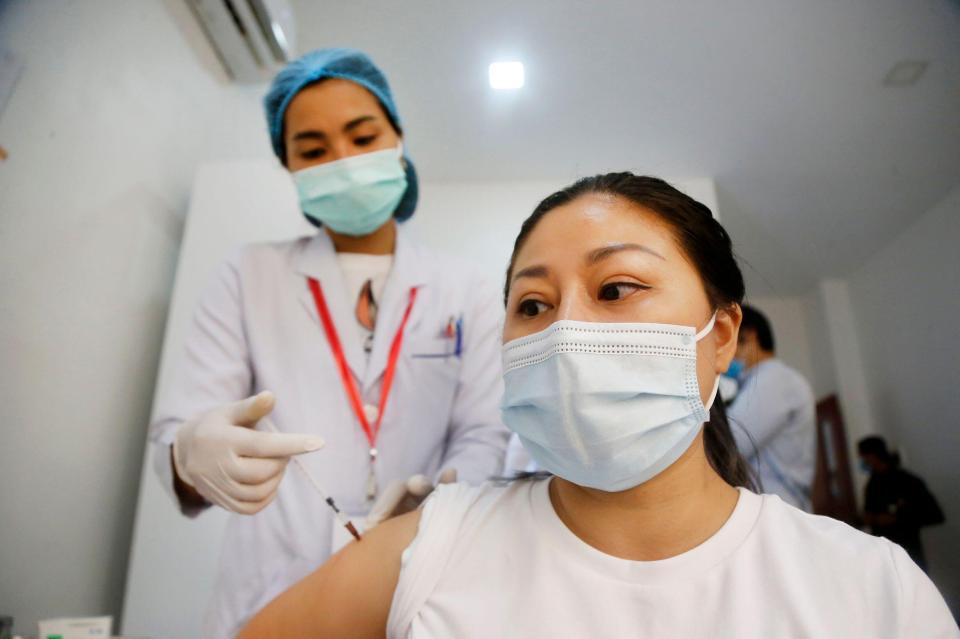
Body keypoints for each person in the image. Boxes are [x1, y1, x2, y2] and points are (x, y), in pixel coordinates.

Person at [238, 174, 958, 638]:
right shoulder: (430, 549)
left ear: (722, 337)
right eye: (532, 303)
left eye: (616, 288)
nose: (565, 330)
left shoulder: (870, 590)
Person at [148, 48, 509, 638]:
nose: (342, 161)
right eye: (313, 151)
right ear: (289, 168)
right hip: (269, 590)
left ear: (398, 138)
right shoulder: (249, 274)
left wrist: (443, 497)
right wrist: (192, 453)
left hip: (411, 583)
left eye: (363, 136)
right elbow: (181, 432)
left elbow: (483, 432)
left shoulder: (462, 287)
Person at [727, 305, 817, 510]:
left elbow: (730, 445)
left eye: (724, 339)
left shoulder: (773, 379)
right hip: (774, 507)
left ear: (748, 336)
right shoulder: (759, 382)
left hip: (778, 507)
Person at [859, 435, 945, 571]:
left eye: (863, 457)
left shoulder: (908, 481)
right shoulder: (872, 484)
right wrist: (870, 518)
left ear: (873, 456)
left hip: (909, 554)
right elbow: (870, 513)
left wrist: (897, 519)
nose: (862, 461)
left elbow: (935, 515)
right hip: (884, 557)